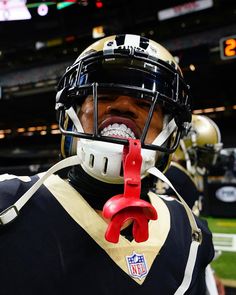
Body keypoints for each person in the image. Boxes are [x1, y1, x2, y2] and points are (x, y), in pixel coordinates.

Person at [0, 34, 215, 294]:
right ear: (73, 112)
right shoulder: (8, 203)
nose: (123, 106)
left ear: (170, 130)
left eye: (144, 102)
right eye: (105, 95)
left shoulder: (189, 232)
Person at [156, 114, 225, 295]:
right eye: (202, 155)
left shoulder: (181, 176)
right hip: (178, 267)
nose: (206, 164)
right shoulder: (177, 179)